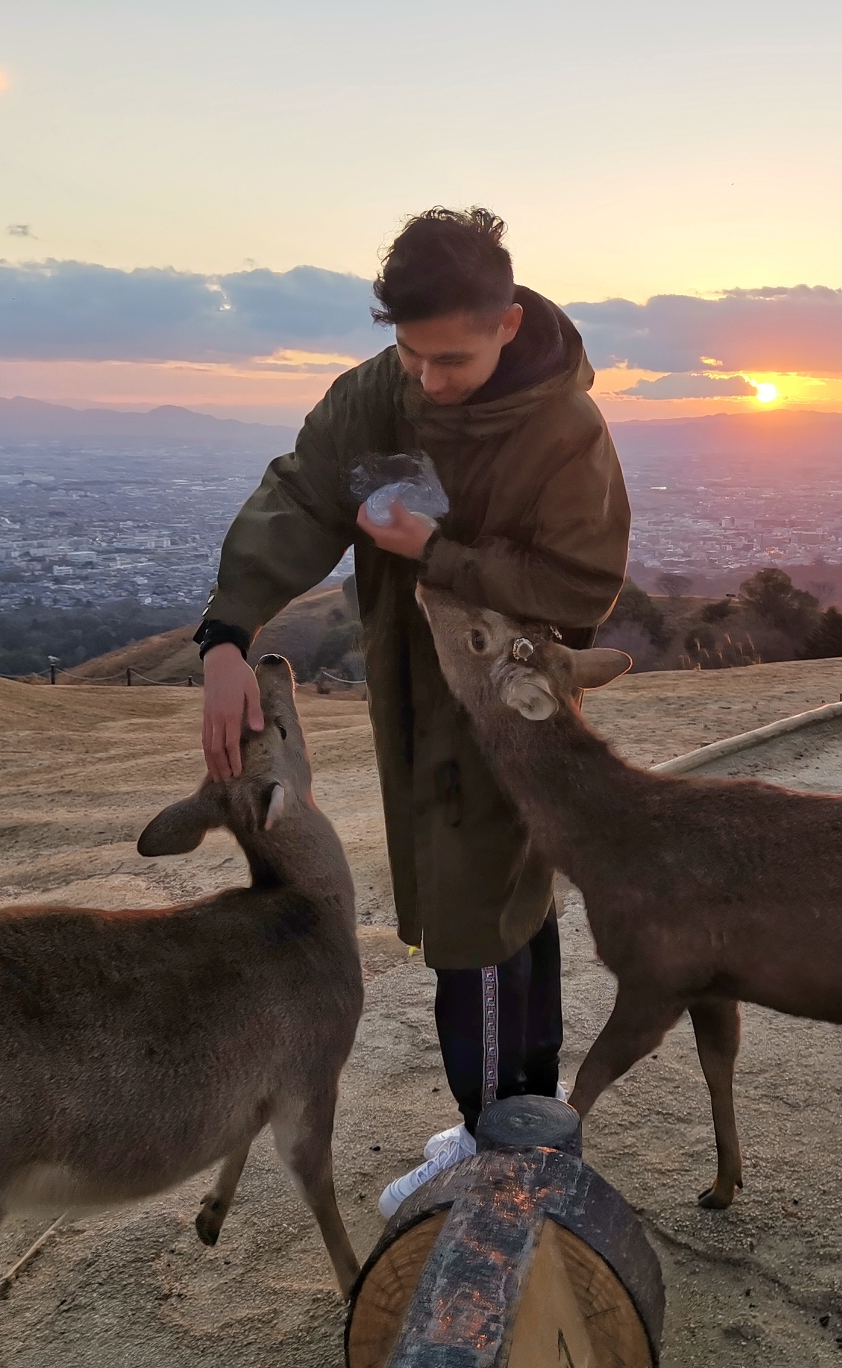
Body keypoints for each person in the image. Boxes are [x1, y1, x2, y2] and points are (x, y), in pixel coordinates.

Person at [194, 207, 630, 1216]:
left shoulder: (565, 429)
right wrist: (225, 633)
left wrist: (430, 556)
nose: (428, 380)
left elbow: (579, 584)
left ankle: (492, 1157)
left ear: (509, 322)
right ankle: (528, 1121)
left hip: (509, 708)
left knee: (479, 924)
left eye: (453, 358)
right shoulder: (377, 397)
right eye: (412, 354)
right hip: (412, 699)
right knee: (506, 911)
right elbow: (301, 498)